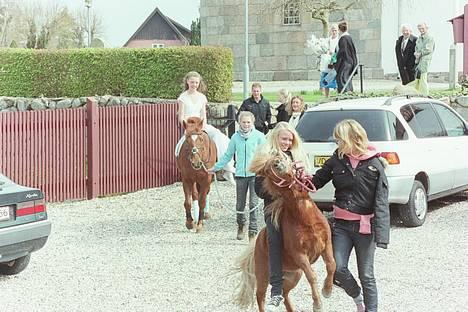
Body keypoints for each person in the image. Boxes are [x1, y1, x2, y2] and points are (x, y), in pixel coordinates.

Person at [311, 119, 390, 312]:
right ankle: (357, 297)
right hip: (341, 226)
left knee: (367, 275)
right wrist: (299, 179)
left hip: (365, 227)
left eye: (339, 139)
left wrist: (382, 235)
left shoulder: (374, 163)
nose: (337, 143)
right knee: (338, 268)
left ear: (351, 138)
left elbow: (381, 201)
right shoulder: (337, 158)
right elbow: (317, 180)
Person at [252, 122, 310, 311]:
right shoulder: (266, 158)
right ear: (275, 138)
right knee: (275, 238)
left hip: (296, 207)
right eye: (284, 139)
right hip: (275, 209)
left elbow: (305, 184)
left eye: (290, 140)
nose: (287, 142)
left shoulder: (296, 156)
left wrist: (303, 176)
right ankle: (276, 289)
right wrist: (277, 189)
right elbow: (258, 189)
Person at [208, 111, 266, 241]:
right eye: (243, 122)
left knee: (253, 203)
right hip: (240, 174)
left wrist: (264, 169)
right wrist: (216, 167)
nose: (246, 124)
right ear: (239, 123)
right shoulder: (235, 137)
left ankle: (253, 230)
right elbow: (228, 155)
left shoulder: (259, 136)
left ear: (252, 123)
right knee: (240, 205)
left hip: (255, 175)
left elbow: (266, 154)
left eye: (248, 122)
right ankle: (241, 225)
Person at [175, 71, 235, 185]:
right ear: (187, 82)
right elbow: (181, 115)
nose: (194, 84)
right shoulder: (182, 98)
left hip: (201, 125)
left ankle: (227, 168)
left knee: (221, 137)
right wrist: (187, 126)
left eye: (196, 82)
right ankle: (180, 164)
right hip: (189, 126)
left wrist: (202, 127)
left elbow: (203, 114)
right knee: (179, 147)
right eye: (192, 82)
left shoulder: (202, 97)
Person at [408, 22, 435, 95]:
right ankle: (417, 93)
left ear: (426, 28)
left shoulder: (430, 38)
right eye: (419, 29)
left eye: (422, 28)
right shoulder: (419, 38)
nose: (421, 30)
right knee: (418, 78)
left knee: (423, 78)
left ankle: (424, 95)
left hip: (425, 61)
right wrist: (416, 53)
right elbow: (416, 48)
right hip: (418, 61)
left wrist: (420, 53)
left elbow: (428, 49)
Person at [335, 21, 358, 94]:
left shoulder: (343, 38)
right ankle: (349, 93)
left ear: (339, 30)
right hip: (350, 62)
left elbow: (342, 51)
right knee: (348, 79)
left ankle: (345, 94)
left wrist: (335, 59)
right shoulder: (349, 38)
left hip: (345, 62)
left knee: (342, 78)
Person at [319, 24, 339, 97]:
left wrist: (333, 53)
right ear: (330, 31)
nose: (334, 32)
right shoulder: (328, 40)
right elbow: (325, 49)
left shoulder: (339, 40)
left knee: (335, 80)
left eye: (335, 30)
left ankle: (337, 95)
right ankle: (326, 96)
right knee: (325, 79)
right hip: (327, 62)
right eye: (333, 30)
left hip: (335, 62)